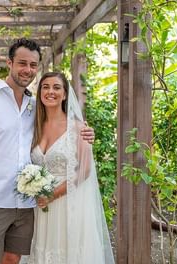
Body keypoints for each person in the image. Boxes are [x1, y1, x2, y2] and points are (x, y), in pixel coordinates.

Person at [0, 39, 95, 264]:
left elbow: (62, 129)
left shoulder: (35, 107)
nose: (27, 70)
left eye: (33, 65)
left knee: (12, 259)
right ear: (9, 63)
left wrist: (86, 132)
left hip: (26, 204)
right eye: (22, 63)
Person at [28, 72, 114, 264]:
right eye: (45, 87)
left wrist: (52, 194)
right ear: (39, 92)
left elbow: (84, 171)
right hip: (42, 205)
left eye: (57, 87)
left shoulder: (78, 128)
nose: (50, 91)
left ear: (65, 94)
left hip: (69, 202)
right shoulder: (34, 126)